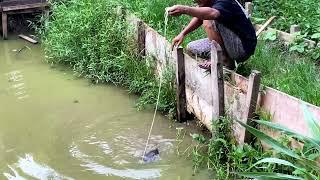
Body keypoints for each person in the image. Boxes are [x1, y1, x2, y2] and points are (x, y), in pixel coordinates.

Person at [167, 0, 257, 70]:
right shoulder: (209, 3)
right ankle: (226, 60)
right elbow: (200, 16)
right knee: (191, 47)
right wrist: (182, 34)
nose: (196, 1)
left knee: (208, 19)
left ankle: (223, 60)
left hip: (242, 47)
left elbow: (212, 14)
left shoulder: (224, 1)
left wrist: (184, 9)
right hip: (229, 43)